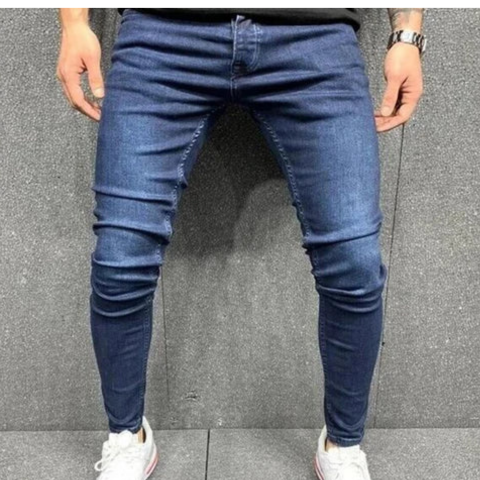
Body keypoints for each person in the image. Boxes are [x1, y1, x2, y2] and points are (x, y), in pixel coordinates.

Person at [57, 8, 424, 480]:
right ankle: (127, 437)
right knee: (119, 259)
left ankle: (343, 444)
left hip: (314, 37)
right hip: (162, 34)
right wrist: (73, 22)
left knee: (355, 262)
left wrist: (408, 33)